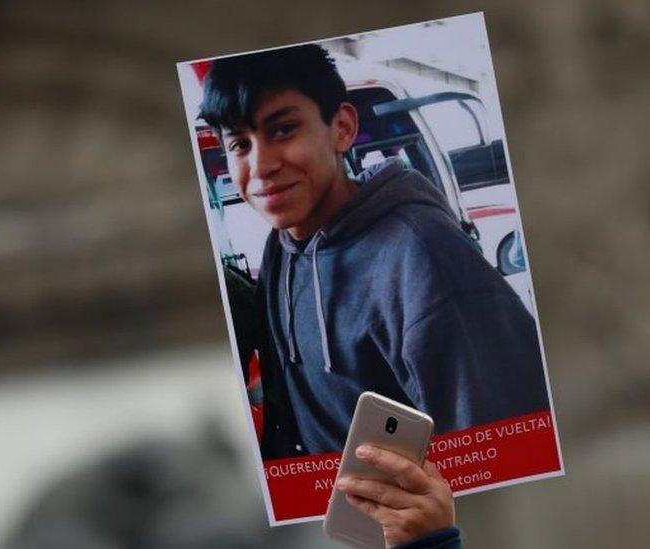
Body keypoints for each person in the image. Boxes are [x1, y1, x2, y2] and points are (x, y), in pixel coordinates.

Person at [199, 44, 548, 546]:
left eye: (282, 130)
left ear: (342, 127)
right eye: (238, 144)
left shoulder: (424, 256)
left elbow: (510, 466)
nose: (261, 165)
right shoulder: (284, 248)